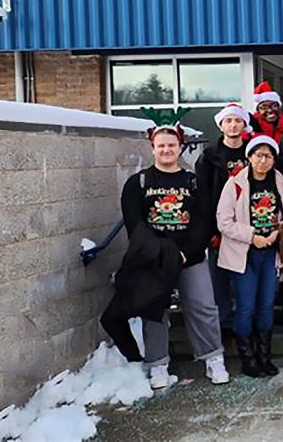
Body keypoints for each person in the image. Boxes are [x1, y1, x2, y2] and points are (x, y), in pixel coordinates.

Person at [102, 124, 230, 388]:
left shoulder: (194, 182)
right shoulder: (137, 183)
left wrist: (185, 253)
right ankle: (158, 363)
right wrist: (159, 253)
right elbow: (135, 224)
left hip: (189, 257)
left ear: (180, 147)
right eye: (161, 145)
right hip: (154, 259)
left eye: (171, 145)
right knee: (154, 310)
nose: (167, 149)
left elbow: (204, 222)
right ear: (153, 148)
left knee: (203, 306)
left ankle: (213, 358)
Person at [216, 134, 283, 377]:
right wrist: (252, 236)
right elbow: (224, 221)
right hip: (244, 254)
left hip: (270, 253)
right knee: (246, 306)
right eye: (258, 156)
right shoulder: (236, 184)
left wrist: (276, 233)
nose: (263, 161)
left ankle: (264, 356)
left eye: (268, 156)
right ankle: (247, 358)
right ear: (249, 157)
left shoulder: (279, 182)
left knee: (266, 306)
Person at [196, 103, 252, 341]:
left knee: (247, 273)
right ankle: (224, 322)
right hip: (219, 223)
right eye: (228, 121)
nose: (233, 125)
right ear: (221, 125)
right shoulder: (209, 157)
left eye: (237, 121)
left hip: (248, 221)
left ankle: (245, 321)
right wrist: (210, 229)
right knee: (219, 276)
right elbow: (203, 194)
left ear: (244, 124)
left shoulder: (253, 152)